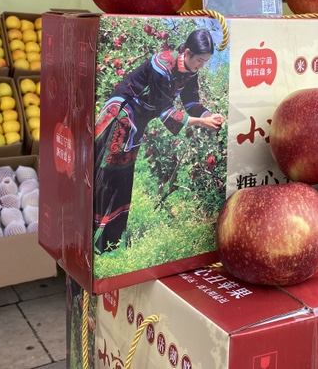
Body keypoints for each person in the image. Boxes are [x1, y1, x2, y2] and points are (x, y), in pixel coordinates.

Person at [92, 28, 224, 253]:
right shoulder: (161, 66)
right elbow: (165, 111)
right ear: (188, 52)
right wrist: (201, 122)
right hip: (122, 115)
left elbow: (191, 102)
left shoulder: (190, 72)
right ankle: (90, 230)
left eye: (205, 62)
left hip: (138, 121)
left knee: (123, 175)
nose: (201, 66)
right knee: (107, 170)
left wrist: (209, 115)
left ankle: (108, 241)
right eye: (200, 60)